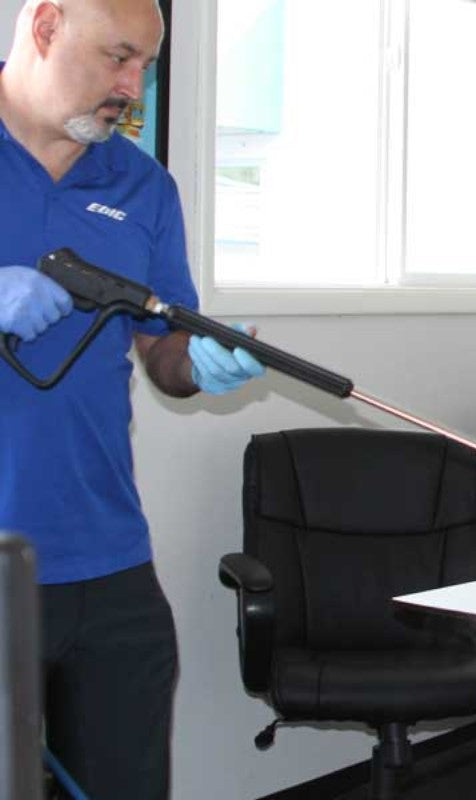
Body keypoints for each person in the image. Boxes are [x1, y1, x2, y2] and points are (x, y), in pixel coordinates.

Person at [0, 1, 265, 797]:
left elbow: (162, 350)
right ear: (46, 27)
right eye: (119, 57)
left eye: (146, 65)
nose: (133, 86)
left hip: (107, 561)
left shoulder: (143, 185)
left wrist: (202, 362)